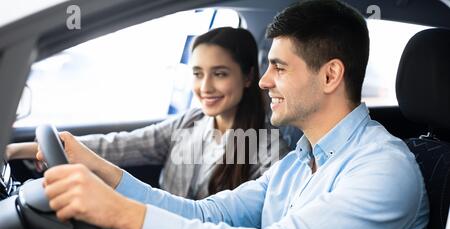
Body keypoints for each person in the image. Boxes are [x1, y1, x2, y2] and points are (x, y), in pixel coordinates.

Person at [40, 0, 429, 229]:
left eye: (278, 68)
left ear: (330, 76)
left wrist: (120, 213)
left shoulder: (382, 168)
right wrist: (102, 172)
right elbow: (208, 215)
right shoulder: (300, 160)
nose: (264, 82)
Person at [6, 27, 289, 200]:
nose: (205, 87)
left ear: (249, 76)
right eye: (197, 74)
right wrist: (19, 150)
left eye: (220, 74)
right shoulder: (189, 121)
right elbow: (118, 145)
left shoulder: (268, 150)